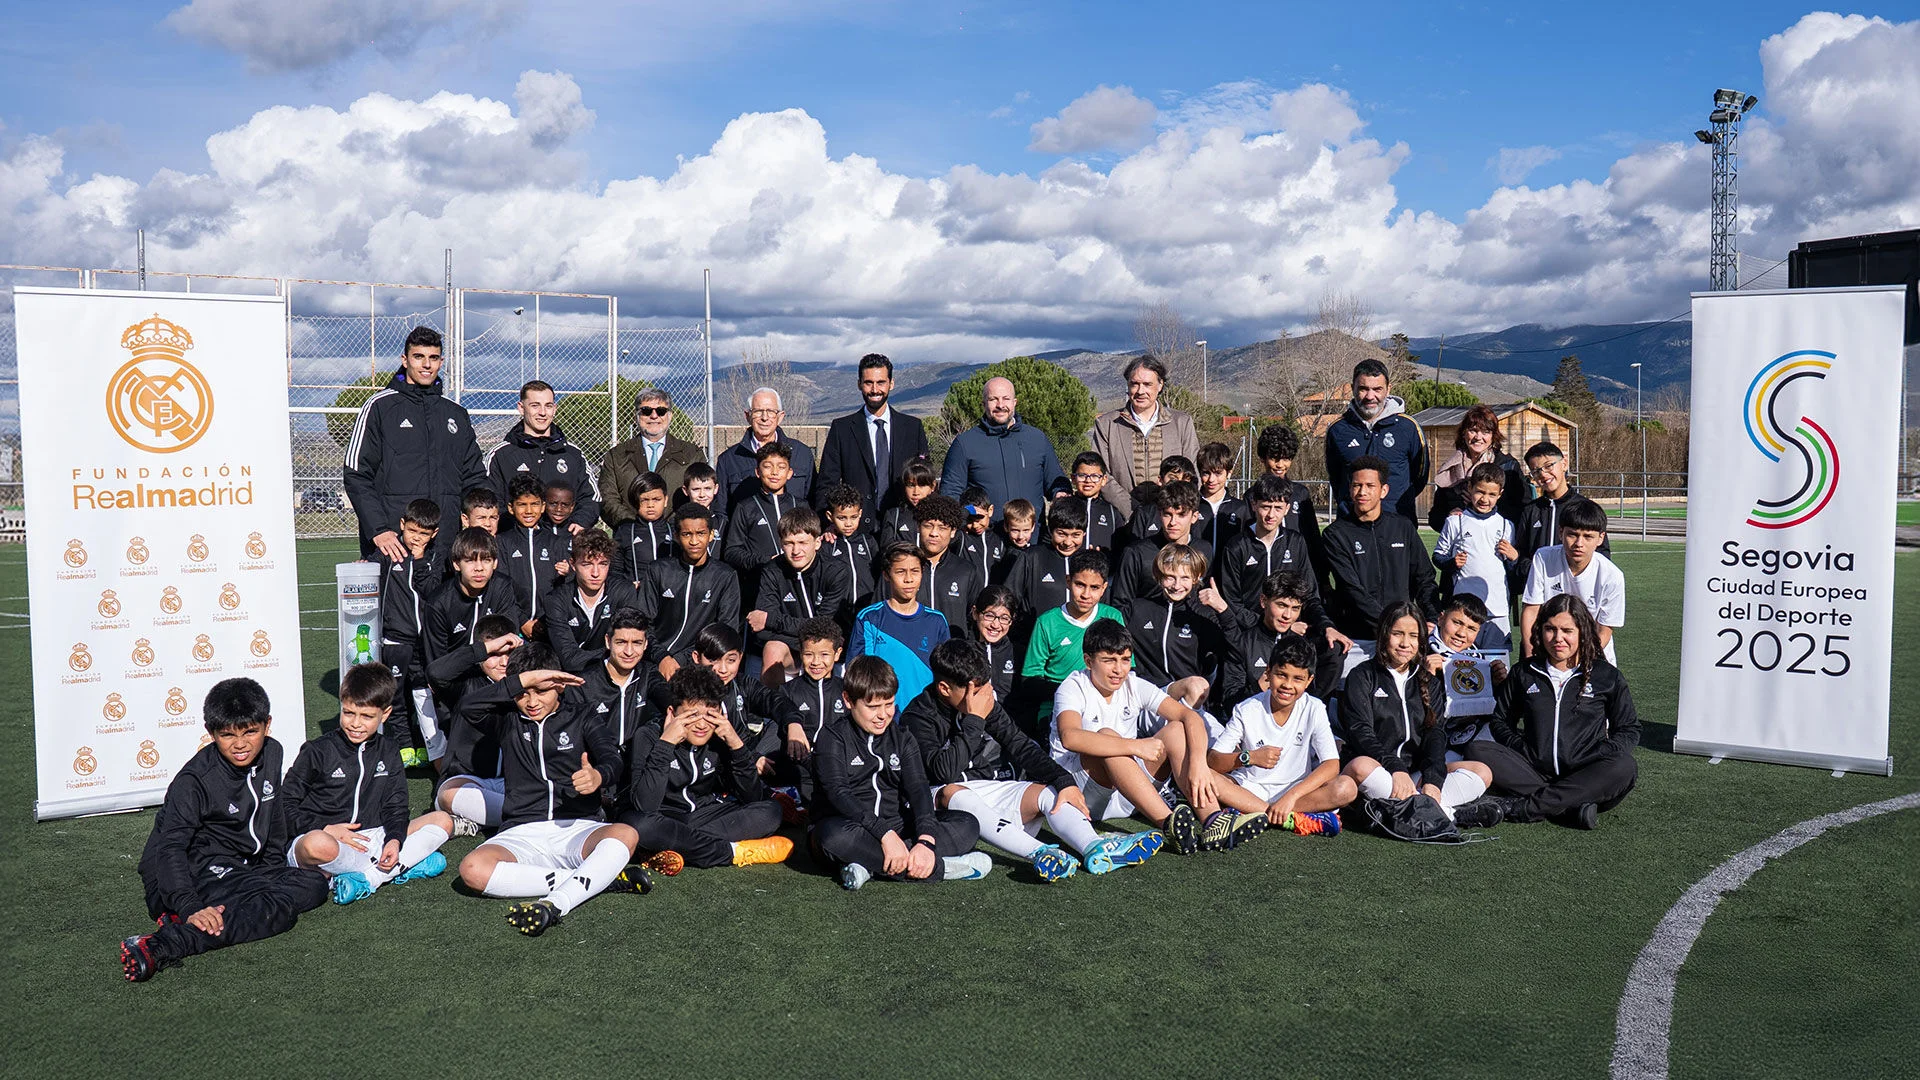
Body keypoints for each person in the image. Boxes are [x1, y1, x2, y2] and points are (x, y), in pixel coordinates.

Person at [119, 678, 329, 982]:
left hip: (239, 866)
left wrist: (273, 870)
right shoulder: (195, 780)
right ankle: (163, 943)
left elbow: (274, 816)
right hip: (189, 868)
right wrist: (189, 905)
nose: (240, 744)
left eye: (250, 732)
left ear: (267, 725)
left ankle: (217, 910)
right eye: (227, 735)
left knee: (314, 885)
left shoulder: (273, 752)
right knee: (277, 907)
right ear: (211, 733)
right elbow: (169, 849)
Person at [904, 640, 1161, 880]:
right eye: (977, 689)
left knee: (1050, 792)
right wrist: (974, 720)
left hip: (984, 794)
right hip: (942, 803)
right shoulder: (918, 716)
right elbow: (943, 772)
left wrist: (1064, 780)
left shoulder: (982, 703)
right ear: (945, 689)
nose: (986, 694)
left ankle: (1095, 847)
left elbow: (1020, 744)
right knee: (955, 791)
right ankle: (1041, 853)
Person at [454, 643, 652, 936]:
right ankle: (599, 879)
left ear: (559, 685)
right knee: (471, 869)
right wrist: (526, 679)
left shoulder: (582, 715)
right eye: (524, 693)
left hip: (578, 827)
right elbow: (466, 706)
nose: (532, 701)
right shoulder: (505, 718)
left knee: (626, 833)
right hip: (521, 832)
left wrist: (598, 776)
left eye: (542, 691)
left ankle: (556, 903)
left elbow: (612, 757)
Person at [1049, 619, 1243, 855]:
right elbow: (1070, 737)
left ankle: (1212, 820)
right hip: (1081, 795)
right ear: (1088, 661)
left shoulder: (1133, 683)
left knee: (1176, 729)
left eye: (1124, 659)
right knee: (1109, 738)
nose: (1119, 669)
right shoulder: (1072, 686)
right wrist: (1135, 746)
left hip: (1131, 794)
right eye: (1109, 660)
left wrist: (1199, 765)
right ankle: (1168, 823)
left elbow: (1189, 717)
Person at [810, 656, 992, 889]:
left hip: (897, 828)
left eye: (889, 704)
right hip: (850, 828)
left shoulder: (903, 738)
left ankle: (872, 866)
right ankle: (940, 869)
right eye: (873, 707)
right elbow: (839, 794)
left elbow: (918, 789)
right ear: (848, 700)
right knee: (831, 837)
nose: (882, 715)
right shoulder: (832, 737)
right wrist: (885, 835)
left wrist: (926, 841)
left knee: (967, 824)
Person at [281, 664, 453, 904]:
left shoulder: (390, 750)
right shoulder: (317, 751)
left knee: (443, 820)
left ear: (385, 714)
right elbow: (284, 805)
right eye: (349, 713)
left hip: (371, 838)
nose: (355, 723)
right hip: (325, 838)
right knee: (315, 844)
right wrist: (326, 827)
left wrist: (394, 839)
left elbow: (396, 805)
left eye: (367, 716)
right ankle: (399, 867)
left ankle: (369, 877)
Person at [1465, 594, 1639, 829]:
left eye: (1567, 630)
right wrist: (1522, 748)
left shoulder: (1606, 676)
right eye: (1550, 629)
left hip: (1586, 772)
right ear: (1540, 630)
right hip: (1532, 771)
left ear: (1582, 632)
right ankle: (1570, 808)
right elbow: (1500, 721)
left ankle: (1524, 808)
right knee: (1478, 749)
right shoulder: (1524, 673)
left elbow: (1628, 729)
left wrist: (1600, 752)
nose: (1558, 638)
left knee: (1624, 766)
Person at [619, 665, 792, 873]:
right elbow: (645, 806)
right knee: (638, 825)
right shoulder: (648, 735)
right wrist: (665, 745)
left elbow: (752, 797)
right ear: (672, 712)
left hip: (702, 815)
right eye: (692, 716)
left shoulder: (718, 736)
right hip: (663, 818)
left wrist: (736, 745)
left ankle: (677, 849)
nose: (702, 725)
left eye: (710, 715)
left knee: (771, 811)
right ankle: (733, 852)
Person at [1340, 601, 1500, 824]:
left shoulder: (1426, 680)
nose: (1405, 643)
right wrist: (1395, 769)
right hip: (1379, 770)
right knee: (1360, 766)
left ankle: (1412, 809)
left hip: (1413, 774)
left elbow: (1435, 734)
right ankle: (1449, 815)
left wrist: (1432, 781)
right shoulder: (1362, 676)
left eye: (1413, 636)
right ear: (1384, 634)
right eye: (1397, 634)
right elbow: (1360, 732)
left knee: (1482, 771)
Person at [342, 325, 485, 561]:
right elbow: (357, 474)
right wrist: (379, 530)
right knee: (397, 600)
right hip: (395, 545)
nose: (427, 365)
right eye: (419, 357)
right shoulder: (380, 407)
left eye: (433, 358)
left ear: (441, 362)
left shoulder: (455, 414)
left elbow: (475, 478)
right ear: (405, 360)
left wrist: (478, 526)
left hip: (447, 543)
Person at [1205, 637, 1353, 836]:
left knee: (1347, 788)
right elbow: (1213, 761)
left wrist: (1291, 796)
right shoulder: (1247, 709)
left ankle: (1254, 814)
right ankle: (1290, 820)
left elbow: (1331, 765)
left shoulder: (1314, 708)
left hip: (1296, 792)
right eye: (1281, 675)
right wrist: (1249, 757)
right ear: (1268, 672)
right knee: (1205, 777)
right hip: (1250, 789)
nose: (1287, 685)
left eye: (1297, 679)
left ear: (1309, 680)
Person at [1322, 455, 1439, 650]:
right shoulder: (1336, 534)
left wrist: (1431, 617)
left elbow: (1424, 578)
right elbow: (1352, 589)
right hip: (1356, 638)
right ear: (1350, 490)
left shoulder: (1402, 527)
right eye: (1357, 486)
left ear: (1384, 490)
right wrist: (1390, 624)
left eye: (1370, 486)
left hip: (1401, 637)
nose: (1362, 492)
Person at [432, 614, 528, 830]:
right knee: (449, 796)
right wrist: (485, 647)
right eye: (495, 654)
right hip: (467, 781)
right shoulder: (466, 682)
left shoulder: (525, 684)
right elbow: (435, 673)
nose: (503, 662)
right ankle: (527, 816)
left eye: (509, 654)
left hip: (511, 783)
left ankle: (485, 820)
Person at [816, 353, 929, 521]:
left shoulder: (913, 428)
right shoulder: (842, 429)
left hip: (903, 527)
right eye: (869, 383)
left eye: (881, 382)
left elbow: (925, 480)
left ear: (891, 384)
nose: (875, 390)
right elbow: (826, 483)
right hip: (855, 528)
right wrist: (828, 524)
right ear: (859, 384)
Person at [749, 506, 854, 687]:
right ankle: (774, 712)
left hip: (828, 650)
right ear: (781, 543)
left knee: (823, 645)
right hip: (792, 648)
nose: (796, 551)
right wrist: (772, 624)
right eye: (789, 543)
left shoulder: (836, 571)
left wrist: (771, 620)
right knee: (772, 649)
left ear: (817, 542)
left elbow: (825, 628)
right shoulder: (771, 571)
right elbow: (762, 630)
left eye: (803, 542)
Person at [1086, 354, 1200, 520]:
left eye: (1147, 384)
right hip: (1123, 518)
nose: (1141, 391)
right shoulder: (1107, 424)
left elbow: (1193, 470)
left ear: (1160, 385)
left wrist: (1171, 508)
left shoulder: (1182, 423)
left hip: (1169, 518)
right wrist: (1132, 510)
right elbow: (1101, 474)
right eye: (1135, 384)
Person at [636, 504, 741, 679]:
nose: (694, 541)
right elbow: (642, 621)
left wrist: (681, 660)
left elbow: (726, 630)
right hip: (654, 661)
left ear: (711, 535)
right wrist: (662, 657)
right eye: (687, 534)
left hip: (700, 665)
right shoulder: (658, 570)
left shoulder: (725, 576)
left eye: (700, 533)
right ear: (676, 536)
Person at [1212, 570, 1342, 711]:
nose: (1287, 615)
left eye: (1295, 608)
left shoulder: (1305, 644)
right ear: (1263, 601)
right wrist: (1258, 688)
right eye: (1281, 605)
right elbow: (1230, 703)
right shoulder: (1243, 643)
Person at [379, 498, 444, 769]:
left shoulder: (434, 558)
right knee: (394, 694)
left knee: (424, 693)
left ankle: (433, 748)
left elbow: (433, 591)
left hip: (425, 642)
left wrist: (418, 561)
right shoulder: (388, 553)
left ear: (434, 534)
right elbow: (372, 575)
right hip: (395, 640)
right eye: (413, 531)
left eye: (424, 534)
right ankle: (405, 747)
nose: (416, 538)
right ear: (402, 525)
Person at [1120, 544, 1226, 712]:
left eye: (1184, 578)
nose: (1177, 586)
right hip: (1146, 700)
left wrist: (1223, 610)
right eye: (1170, 577)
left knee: (1218, 734)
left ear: (1196, 577)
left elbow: (1234, 650)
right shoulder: (1137, 609)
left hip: (1188, 700)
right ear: (1158, 576)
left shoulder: (1203, 614)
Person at [484, 380, 600, 533]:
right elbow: (488, 500)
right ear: (521, 408)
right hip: (515, 546)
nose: (543, 412)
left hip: (562, 544)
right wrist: (514, 530)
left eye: (548, 406)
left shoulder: (572, 454)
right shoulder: (501, 455)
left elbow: (592, 497)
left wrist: (580, 522)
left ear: (555, 408)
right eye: (535, 405)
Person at [940, 376, 1067, 514]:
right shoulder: (965, 443)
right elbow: (950, 494)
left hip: (1032, 533)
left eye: (1006, 399)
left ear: (1014, 402)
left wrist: (1060, 493)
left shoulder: (1037, 439)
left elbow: (1055, 480)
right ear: (983, 404)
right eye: (993, 399)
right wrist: (971, 516)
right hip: (985, 534)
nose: (1000, 405)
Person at [1324, 358, 1429, 524]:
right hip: (1351, 526)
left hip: (1398, 524)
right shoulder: (1338, 430)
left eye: (1377, 389)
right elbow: (1336, 478)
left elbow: (1420, 477)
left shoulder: (1408, 427)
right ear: (1352, 389)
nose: (1370, 396)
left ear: (1388, 389)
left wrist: (1393, 502)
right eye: (1363, 389)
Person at [1520, 499, 1625, 664]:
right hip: (1548, 654)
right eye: (1572, 535)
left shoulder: (1612, 576)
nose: (1579, 544)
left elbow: (1603, 630)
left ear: (1600, 538)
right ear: (1560, 532)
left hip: (1591, 657)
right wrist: (1531, 658)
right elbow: (1531, 611)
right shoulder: (1543, 558)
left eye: (1588, 537)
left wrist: (1576, 663)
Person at [848, 543, 951, 705]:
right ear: (887, 575)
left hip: (924, 717)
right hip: (883, 716)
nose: (909, 579)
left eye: (915, 571)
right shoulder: (869, 618)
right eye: (900, 572)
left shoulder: (936, 621)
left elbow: (945, 676)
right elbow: (857, 674)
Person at [1432, 462, 1519, 649]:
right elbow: (1438, 556)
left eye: (1491, 494)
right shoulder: (1456, 521)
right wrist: (1452, 563)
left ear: (1500, 494)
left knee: (1497, 666)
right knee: (1462, 666)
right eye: (1480, 491)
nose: (1484, 499)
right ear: (1470, 488)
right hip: (1463, 611)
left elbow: (1511, 568)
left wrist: (1514, 557)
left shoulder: (1506, 525)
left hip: (1497, 610)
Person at [1511, 440, 1613, 594]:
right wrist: (1537, 575)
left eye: (1548, 466)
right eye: (1536, 471)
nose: (1543, 474)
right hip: (1541, 598)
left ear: (1564, 463)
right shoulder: (1531, 511)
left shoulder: (1586, 508)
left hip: (1577, 597)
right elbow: (1522, 555)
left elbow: (1602, 555)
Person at [422, 527, 523, 678]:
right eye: (470, 561)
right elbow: (437, 664)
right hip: (456, 679)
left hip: (495, 673)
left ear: (495, 563)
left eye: (486, 560)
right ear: (456, 564)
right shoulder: (439, 603)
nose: (479, 568)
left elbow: (509, 640)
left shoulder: (502, 586)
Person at [600, 388, 706, 529]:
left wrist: (670, 528)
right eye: (646, 411)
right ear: (636, 416)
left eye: (661, 411)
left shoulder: (692, 454)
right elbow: (607, 499)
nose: (654, 416)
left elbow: (700, 495)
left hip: (676, 537)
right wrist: (636, 527)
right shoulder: (616, 456)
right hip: (630, 536)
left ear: (670, 416)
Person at [540, 530, 638, 675]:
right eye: (587, 564)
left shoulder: (624, 592)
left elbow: (633, 645)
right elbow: (569, 659)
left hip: (613, 676)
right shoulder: (556, 600)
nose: (596, 573)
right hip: (570, 678)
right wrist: (614, 652)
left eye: (603, 564)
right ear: (573, 564)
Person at [776, 617, 848, 811]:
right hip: (800, 772)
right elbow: (775, 729)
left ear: (837, 654)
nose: (816, 662)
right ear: (801, 653)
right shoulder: (788, 691)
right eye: (809, 654)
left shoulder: (846, 691)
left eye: (824, 654)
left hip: (839, 771)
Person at [715, 387, 815, 517]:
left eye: (771, 411)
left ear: (780, 416)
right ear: (747, 416)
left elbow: (813, 502)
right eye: (758, 411)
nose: (764, 417)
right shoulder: (729, 460)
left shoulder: (801, 454)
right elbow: (721, 511)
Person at [1426, 403, 1527, 532]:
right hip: (1460, 543)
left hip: (1495, 541)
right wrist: (1449, 517)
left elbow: (1522, 510)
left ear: (1493, 436)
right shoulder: (1451, 468)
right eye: (1473, 430)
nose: (1478, 437)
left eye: (1486, 432)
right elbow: (1435, 518)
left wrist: (1482, 506)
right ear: (1464, 433)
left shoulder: (1508, 466)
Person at [1111, 479, 1210, 607]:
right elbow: (1121, 603)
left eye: (1181, 515)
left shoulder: (1204, 550)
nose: (1173, 522)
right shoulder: (1136, 553)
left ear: (1194, 517)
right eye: (1167, 514)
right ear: (1159, 514)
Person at [495, 475, 563, 634]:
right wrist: (522, 621)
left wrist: (547, 619)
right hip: (514, 626)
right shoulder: (503, 542)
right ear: (511, 508)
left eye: (534, 504)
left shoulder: (555, 542)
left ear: (543, 506)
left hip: (548, 625)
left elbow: (562, 589)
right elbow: (502, 586)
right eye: (522, 505)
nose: (528, 511)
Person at [722, 442, 803, 574]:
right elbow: (732, 552)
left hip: (796, 582)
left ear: (789, 473)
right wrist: (765, 561)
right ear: (758, 472)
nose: (774, 472)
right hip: (760, 583)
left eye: (781, 467)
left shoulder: (800, 505)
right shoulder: (745, 507)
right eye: (767, 467)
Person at [1003, 498, 1086, 622]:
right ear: (1050, 531)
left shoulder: (1089, 561)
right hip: (1034, 637)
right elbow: (1008, 599)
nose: (1068, 542)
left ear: (1084, 534)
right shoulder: (1031, 557)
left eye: (1076, 535)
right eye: (1061, 534)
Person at [914, 494, 982, 640]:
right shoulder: (902, 568)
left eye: (942, 528)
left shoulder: (967, 571)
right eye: (928, 526)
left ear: (953, 532)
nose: (934, 533)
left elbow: (976, 621)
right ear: (918, 527)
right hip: (911, 656)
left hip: (953, 658)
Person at [1254, 424, 1323, 558]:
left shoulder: (1301, 493)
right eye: (1274, 458)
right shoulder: (1252, 495)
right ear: (1263, 458)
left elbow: (1313, 536)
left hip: (1297, 567)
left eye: (1285, 459)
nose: (1280, 465)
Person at [612, 472, 675, 588]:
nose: (650, 505)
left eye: (656, 499)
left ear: (665, 500)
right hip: (636, 599)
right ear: (636, 502)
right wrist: (628, 587)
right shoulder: (625, 532)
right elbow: (614, 572)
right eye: (644, 500)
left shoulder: (674, 530)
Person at [820, 483, 878, 608]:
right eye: (842, 518)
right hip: (838, 612)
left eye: (853, 517)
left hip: (867, 608)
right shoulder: (826, 545)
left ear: (860, 513)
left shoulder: (868, 541)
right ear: (830, 516)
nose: (848, 523)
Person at [969, 585, 1022, 703]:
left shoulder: (1018, 654)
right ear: (975, 613)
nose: (996, 625)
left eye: (1004, 618)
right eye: (989, 616)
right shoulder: (963, 652)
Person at [1195, 441, 1248, 552]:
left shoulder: (1241, 509)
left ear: (1229, 473)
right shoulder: (1192, 505)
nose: (1211, 479)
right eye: (1206, 473)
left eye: (1218, 473)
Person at [956, 484, 1012, 585]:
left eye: (979, 518)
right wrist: (964, 513)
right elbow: (949, 533)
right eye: (970, 520)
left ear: (990, 511)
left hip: (992, 599)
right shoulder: (962, 538)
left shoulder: (999, 541)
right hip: (968, 600)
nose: (975, 525)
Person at [877, 459, 937, 546]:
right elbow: (886, 549)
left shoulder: (942, 515)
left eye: (922, 485)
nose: (916, 492)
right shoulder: (894, 516)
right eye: (911, 485)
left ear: (933, 486)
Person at [679, 462, 729, 540]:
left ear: (715, 489)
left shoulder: (723, 523)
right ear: (686, 490)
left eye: (707, 488)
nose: (702, 495)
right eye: (696, 489)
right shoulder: (678, 522)